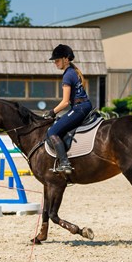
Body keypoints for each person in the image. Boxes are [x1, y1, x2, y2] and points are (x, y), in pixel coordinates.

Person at [43, 44, 93, 174]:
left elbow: (65, 102)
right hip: (84, 106)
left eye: (57, 60)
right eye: (55, 61)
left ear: (66, 59)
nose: (55, 63)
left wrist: (51, 112)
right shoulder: (73, 71)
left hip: (79, 108)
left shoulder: (67, 75)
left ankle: (65, 163)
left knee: (52, 132)